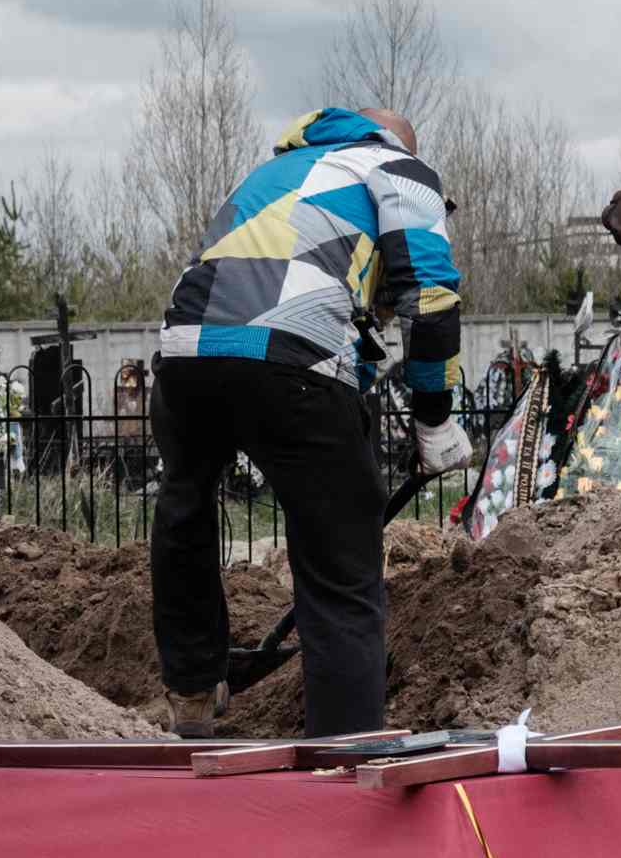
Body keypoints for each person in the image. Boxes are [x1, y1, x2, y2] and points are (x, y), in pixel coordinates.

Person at [153, 107, 469, 735]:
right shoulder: (399, 168)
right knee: (340, 563)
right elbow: (429, 301)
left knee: (184, 506)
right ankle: (345, 748)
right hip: (293, 358)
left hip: (186, 352)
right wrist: (433, 417)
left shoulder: (269, 175)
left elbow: (297, 301)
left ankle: (191, 692)